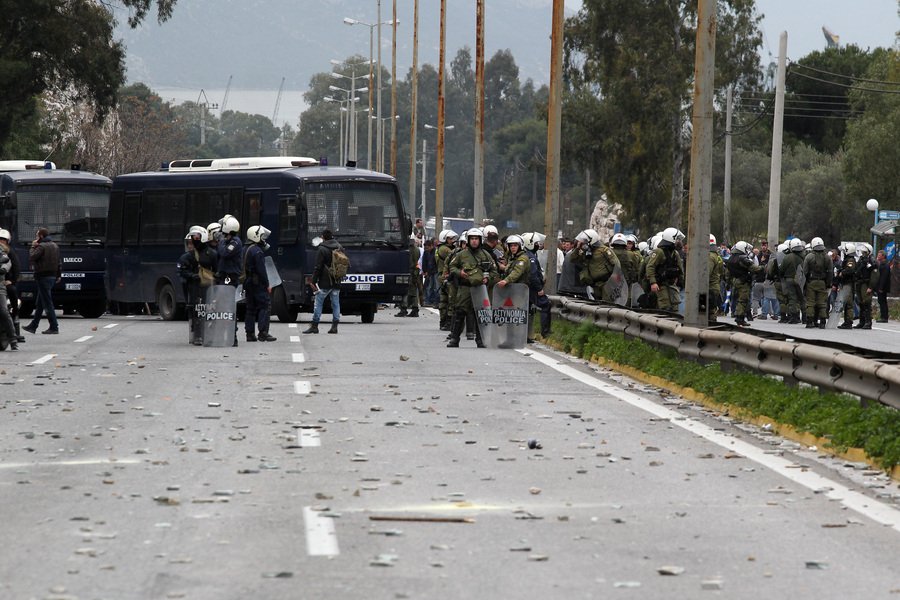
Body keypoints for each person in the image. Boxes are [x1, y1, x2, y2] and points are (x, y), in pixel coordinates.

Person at [447, 228, 499, 348]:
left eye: (476, 239)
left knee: (480, 314)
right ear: (468, 240)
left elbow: (494, 270)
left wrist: (488, 278)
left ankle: (480, 340)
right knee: (460, 313)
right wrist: (460, 273)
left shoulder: (486, 255)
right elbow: (452, 267)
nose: (474, 241)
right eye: (472, 239)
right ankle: (454, 339)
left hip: (480, 288)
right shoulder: (461, 255)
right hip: (465, 288)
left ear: (480, 240)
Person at [177, 226, 218, 345]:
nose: (194, 241)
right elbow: (181, 271)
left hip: (208, 287)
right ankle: (197, 335)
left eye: (196, 238)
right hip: (194, 287)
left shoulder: (212, 254)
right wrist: (191, 276)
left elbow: (217, 270)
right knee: (195, 310)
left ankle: (209, 334)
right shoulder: (188, 256)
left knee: (209, 310)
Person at [242, 225, 277, 342]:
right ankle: (263, 332)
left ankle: (250, 333)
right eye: (261, 236)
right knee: (264, 306)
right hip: (257, 283)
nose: (263, 239)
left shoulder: (244, 249)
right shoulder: (257, 251)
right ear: (256, 236)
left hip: (247, 282)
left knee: (250, 308)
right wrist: (267, 284)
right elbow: (261, 270)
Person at [304, 229, 343, 334]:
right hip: (337, 280)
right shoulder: (339, 247)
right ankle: (334, 326)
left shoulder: (322, 249)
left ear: (323, 237)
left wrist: (313, 280)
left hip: (325, 281)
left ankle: (315, 326)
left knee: (318, 302)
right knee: (335, 303)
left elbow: (318, 266)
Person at [23, 227, 60, 335]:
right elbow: (59, 262)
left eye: (37, 235)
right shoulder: (55, 245)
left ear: (41, 236)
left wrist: (32, 246)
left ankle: (54, 326)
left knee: (47, 303)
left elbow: (32, 257)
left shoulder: (41, 246)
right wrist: (58, 275)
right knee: (40, 303)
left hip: (43, 276)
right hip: (52, 276)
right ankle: (33, 326)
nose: (36, 238)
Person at [645, 227, 683, 311]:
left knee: (675, 308)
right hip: (661, 284)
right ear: (671, 239)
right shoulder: (659, 252)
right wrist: (653, 282)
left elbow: (680, 269)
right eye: (677, 239)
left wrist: (681, 281)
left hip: (672, 285)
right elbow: (650, 267)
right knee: (665, 308)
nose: (679, 242)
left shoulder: (675, 253)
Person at [725, 241, 762, 327]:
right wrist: (763, 268)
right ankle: (740, 318)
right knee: (743, 300)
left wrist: (728, 283)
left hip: (735, 282)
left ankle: (739, 316)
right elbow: (754, 268)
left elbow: (728, 273)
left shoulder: (731, 258)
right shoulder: (742, 258)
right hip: (743, 282)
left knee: (738, 300)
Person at [802, 236, 832, 329]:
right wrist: (828, 284)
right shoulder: (827, 257)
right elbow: (830, 272)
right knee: (822, 303)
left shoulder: (809, 256)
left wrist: (805, 283)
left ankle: (810, 321)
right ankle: (823, 321)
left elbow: (805, 271)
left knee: (810, 302)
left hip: (811, 282)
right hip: (822, 282)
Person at [0, 229, 23, 342]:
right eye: (0, 239)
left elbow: (15, 267)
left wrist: (11, 280)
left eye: (3, 240)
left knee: (12, 291)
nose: (1, 242)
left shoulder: (9, 253)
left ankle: (15, 315)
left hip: (4, 282)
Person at [854, 243, 877, 329]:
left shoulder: (872, 261)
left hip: (866, 284)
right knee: (861, 303)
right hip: (860, 283)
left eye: (864, 252)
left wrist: (871, 287)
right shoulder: (861, 260)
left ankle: (868, 322)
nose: (863, 253)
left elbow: (874, 275)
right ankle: (862, 321)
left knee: (867, 302)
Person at [396, 235, 421, 317]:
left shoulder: (407, 250)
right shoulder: (416, 249)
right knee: (413, 291)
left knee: (404, 291)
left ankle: (403, 308)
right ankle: (415, 309)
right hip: (414, 272)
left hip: (408, 271)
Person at [0, 248, 17, 349]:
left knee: (3, 311)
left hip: (0, 288)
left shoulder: (3, 255)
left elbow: (4, 268)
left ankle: (13, 339)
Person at [422, 239, 439, 306]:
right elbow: (424, 262)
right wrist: (425, 271)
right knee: (429, 287)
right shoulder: (426, 252)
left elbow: (436, 262)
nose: (427, 249)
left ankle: (436, 301)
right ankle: (428, 301)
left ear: (431, 246)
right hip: (429, 272)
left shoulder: (436, 252)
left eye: (427, 248)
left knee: (436, 287)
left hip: (435, 271)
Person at [875, 249, 890, 323]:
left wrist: (881, 287)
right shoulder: (880, 264)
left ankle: (884, 317)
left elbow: (884, 277)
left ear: (883, 256)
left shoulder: (885, 265)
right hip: (879, 286)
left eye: (879, 255)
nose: (878, 256)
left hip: (882, 287)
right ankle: (883, 316)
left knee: (882, 301)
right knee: (881, 301)